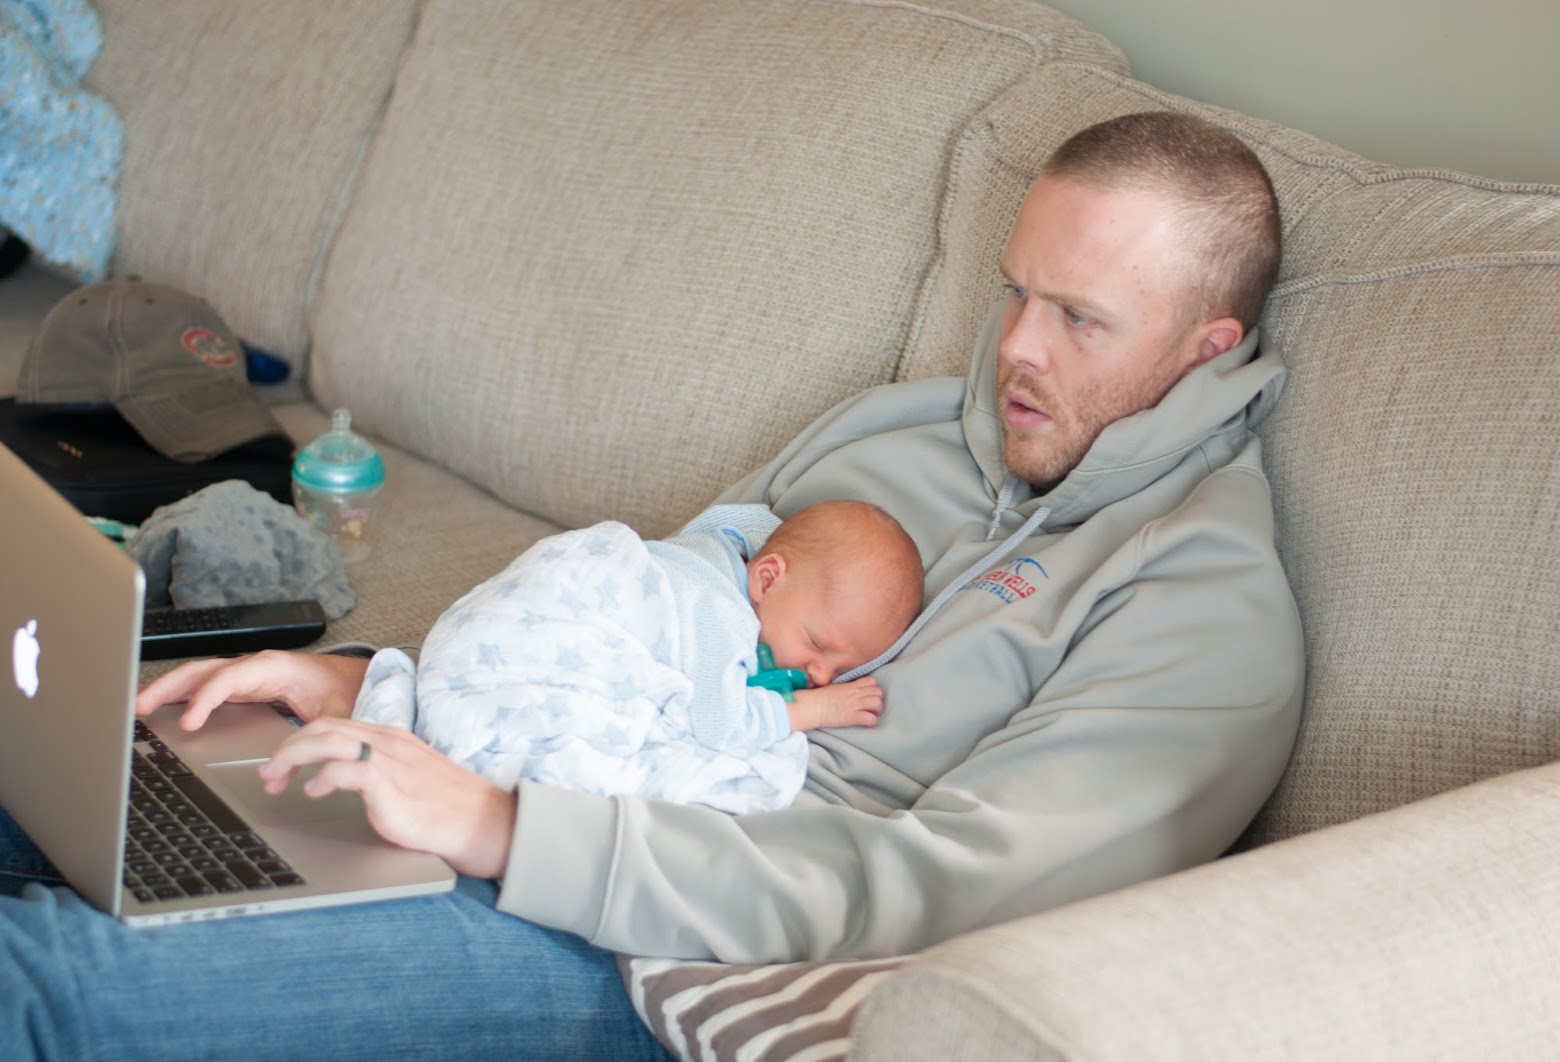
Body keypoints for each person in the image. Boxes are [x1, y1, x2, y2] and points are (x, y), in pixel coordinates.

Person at [0, 111, 1304, 1059]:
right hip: (518, 775)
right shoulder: (895, 428)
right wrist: (355, 681)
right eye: (1017, 291)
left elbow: (947, 900)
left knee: (44, 986)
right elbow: (631, 639)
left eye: (1080, 318)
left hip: (650, 940)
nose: (1015, 345)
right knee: (51, 765)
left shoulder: (1201, 602)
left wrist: (508, 828)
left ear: (1207, 347)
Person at [352, 500, 923, 812]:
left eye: (842, 671)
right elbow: (721, 723)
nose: (820, 675)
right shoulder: (721, 614)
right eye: (819, 646)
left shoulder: (720, 542)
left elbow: (743, 518)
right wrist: (819, 711)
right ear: (767, 578)